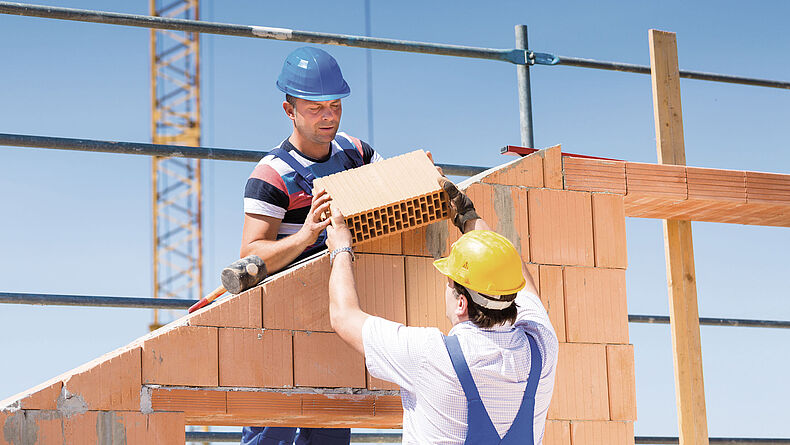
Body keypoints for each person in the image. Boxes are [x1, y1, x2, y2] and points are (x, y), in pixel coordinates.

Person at [324, 178, 559, 444]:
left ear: (461, 303)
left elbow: (344, 317)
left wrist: (341, 247)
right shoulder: (542, 346)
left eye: (449, 284)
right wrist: (467, 216)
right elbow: (516, 277)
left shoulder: (430, 356)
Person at [240, 46, 381, 445]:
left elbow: (391, 188)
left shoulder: (356, 153)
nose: (329, 116)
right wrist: (305, 236)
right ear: (290, 110)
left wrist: (419, 175)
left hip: (336, 316)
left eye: (335, 105)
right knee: (273, 430)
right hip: (282, 320)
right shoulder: (272, 175)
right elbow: (250, 254)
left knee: (330, 428)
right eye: (316, 108)